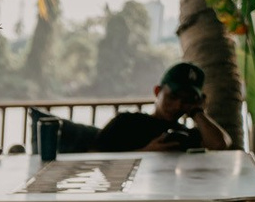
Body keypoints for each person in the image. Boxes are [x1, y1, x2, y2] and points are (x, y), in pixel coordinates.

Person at [95, 62, 233, 152]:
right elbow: (94, 156)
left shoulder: (184, 135)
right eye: (172, 96)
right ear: (157, 92)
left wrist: (197, 111)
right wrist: (145, 153)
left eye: (187, 100)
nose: (178, 105)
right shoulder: (126, 123)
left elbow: (220, 145)